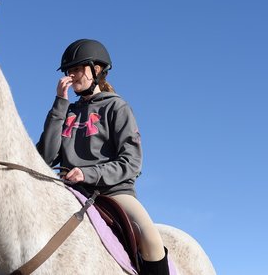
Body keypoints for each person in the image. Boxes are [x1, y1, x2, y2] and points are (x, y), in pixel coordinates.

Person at [37, 39, 169, 275]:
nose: (73, 75)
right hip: (70, 190)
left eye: (78, 69)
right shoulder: (67, 111)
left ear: (96, 70)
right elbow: (45, 157)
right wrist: (60, 103)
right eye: (70, 70)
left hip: (113, 193)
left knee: (151, 239)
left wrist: (88, 173)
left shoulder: (117, 107)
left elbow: (131, 162)